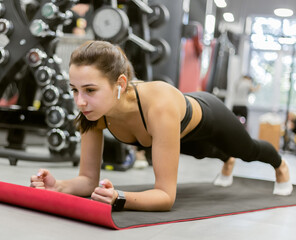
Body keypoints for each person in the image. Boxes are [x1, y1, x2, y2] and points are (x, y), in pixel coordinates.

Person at [30, 41, 293, 212]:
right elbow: (88, 180)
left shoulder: (158, 106)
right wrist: (58, 186)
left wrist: (120, 197)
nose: (80, 101)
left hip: (210, 115)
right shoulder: (93, 112)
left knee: (246, 150)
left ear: (120, 84)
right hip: (182, 135)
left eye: (89, 90)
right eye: (74, 90)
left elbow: (165, 197)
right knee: (201, 151)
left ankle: (280, 165)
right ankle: (226, 160)